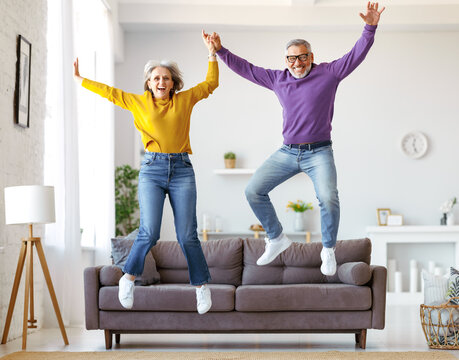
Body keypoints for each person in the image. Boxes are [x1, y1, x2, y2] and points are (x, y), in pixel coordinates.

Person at [210, 2, 385, 276]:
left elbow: (356, 55)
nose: (297, 63)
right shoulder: (277, 79)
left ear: (311, 56)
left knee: (329, 198)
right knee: (253, 191)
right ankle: (277, 237)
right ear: (286, 61)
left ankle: (327, 250)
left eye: (302, 57)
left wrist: (370, 27)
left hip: (319, 152)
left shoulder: (329, 73)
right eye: (291, 58)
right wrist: (220, 50)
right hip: (288, 152)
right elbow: (245, 68)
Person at [73, 31, 219, 314]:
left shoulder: (185, 99)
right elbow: (110, 93)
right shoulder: (138, 103)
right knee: (148, 232)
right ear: (148, 84)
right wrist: (81, 80)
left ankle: (201, 288)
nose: (161, 82)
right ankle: (128, 278)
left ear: (173, 83)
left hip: (182, 170)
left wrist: (212, 53)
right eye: (155, 78)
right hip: (152, 170)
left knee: (187, 234)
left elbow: (211, 83)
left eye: (166, 78)